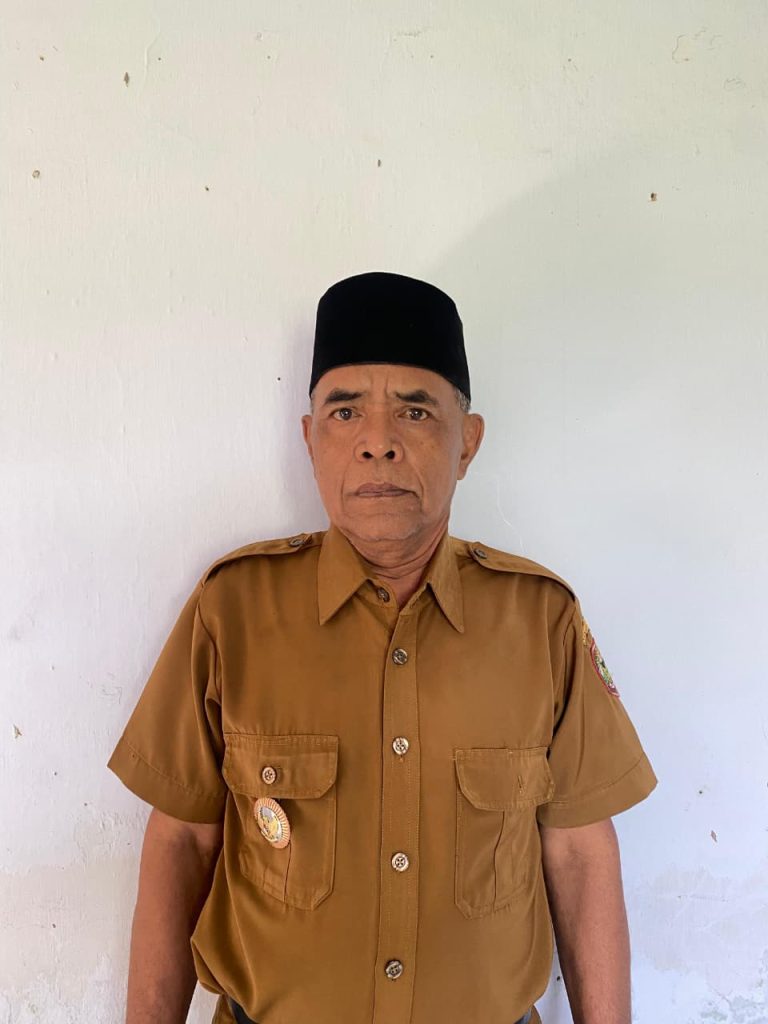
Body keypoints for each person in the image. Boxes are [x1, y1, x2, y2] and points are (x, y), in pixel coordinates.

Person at [107, 271, 657, 1024]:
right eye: (345, 411)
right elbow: (180, 842)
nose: (377, 443)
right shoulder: (232, 611)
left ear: (467, 442)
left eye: (415, 410)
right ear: (311, 441)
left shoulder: (540, 622)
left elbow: (581, 852)